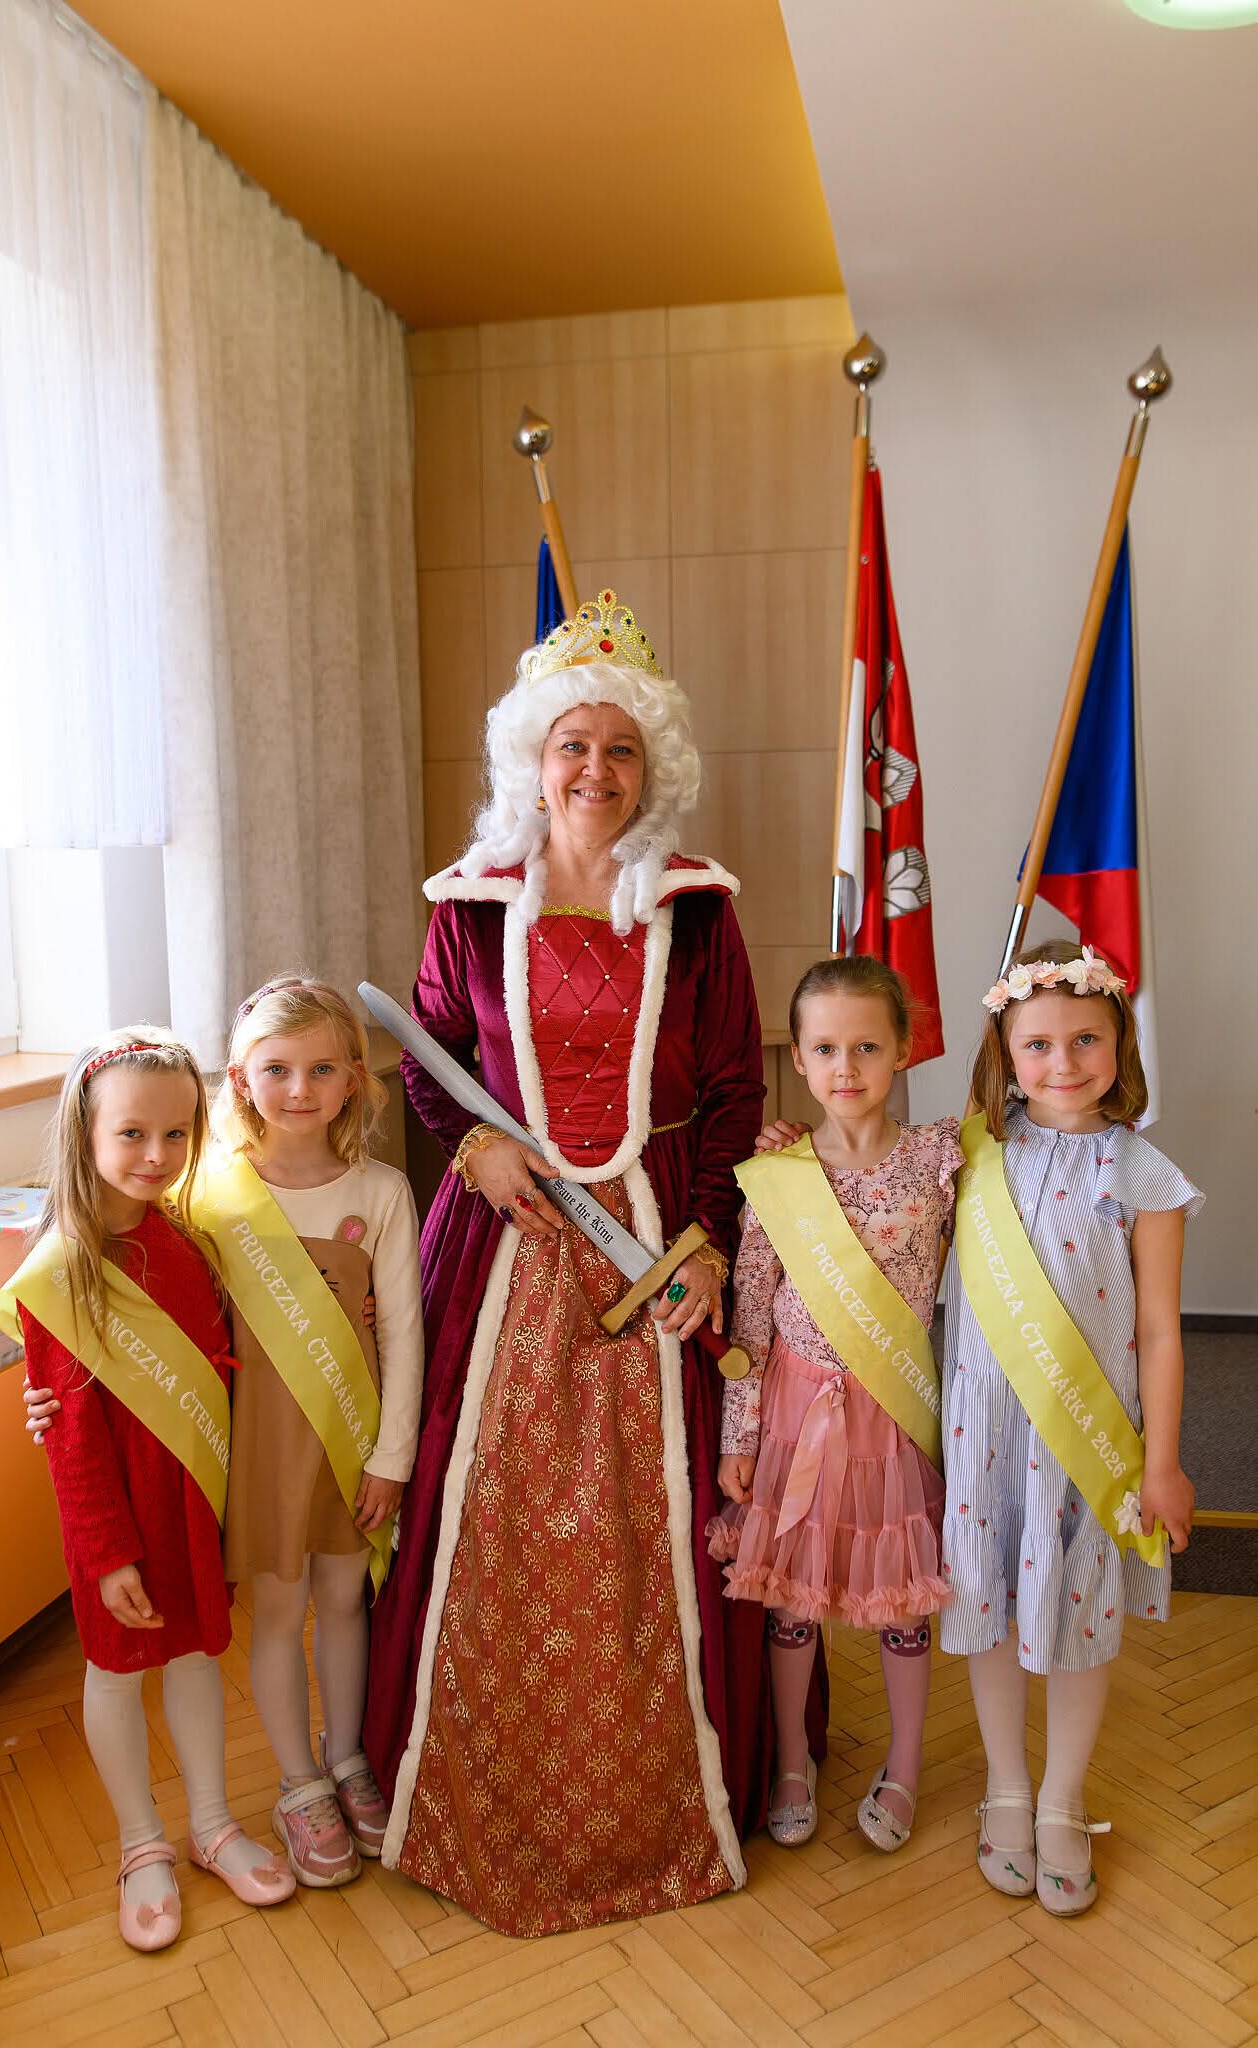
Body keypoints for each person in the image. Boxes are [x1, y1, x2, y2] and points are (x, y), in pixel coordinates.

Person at [362, 590, 825, 1938]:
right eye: (572, 744)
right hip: (504, 1242)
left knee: (659, 1518)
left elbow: (733, 1087)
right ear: (533, 756)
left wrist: (705, 1242)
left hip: (653, 1235)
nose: (594, 770)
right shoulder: (469, 906)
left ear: (651, 767)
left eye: (620, 749)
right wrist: (470, 1146)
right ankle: (473, 1787)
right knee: (486, 1510)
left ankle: (669, 1792)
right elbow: (427, 1056)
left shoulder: (695, 911)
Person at [0, 1032, 295, 1953]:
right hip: (114, 1515)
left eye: (176, 1134)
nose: (156, 1155)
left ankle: (211, 1823)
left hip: (193, 1497)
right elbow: (71, 1436)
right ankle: (139, 1845)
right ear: (84, 1133)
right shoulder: (63, 1269)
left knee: (198, 1656)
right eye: (131, 1133)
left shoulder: (188, 1243)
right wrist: (105, 1550)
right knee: (118, 1670)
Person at [940, 941, 1201, 1916]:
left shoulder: (1143, 1172)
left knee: (1080, 1614)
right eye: (1038, 1043)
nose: (1063, 1061)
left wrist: (1163, 1462)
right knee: (990, 1602)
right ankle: (1006, 1787)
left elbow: (1160, 1329)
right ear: (1005, 1055)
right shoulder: (969, 1152)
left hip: (1086, 1441)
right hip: (984, 1432)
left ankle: (1060, 1799)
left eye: (1085, 1038)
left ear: (1120, 1042)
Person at [709, 956, 959, 1854]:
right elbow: (749, 1315)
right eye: (824, 1049)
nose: (844, 1067)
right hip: (791, 1412)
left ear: (902, 1051)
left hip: (893, 1413)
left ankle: (904, 1766)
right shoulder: (775, 1174)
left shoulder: (941, 1160)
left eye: (865, 1047)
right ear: (800, 1059)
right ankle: (790, 1763)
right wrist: (738, 1435)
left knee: (899, 1603)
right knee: (792, 1599)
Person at [208, 975, 424, 1886]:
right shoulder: (211, 1196)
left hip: (351, 1439)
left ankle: (346, 1760)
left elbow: (404, 1333)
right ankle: (298, 1783)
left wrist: (392, 1457)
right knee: (279, 1609)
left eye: (323, 1070)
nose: (300, 1089)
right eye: (278, 1070)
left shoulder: (382, 1190)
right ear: (240, 1079)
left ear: (354, 1081)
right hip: (258, 1447)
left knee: (343, 1599)